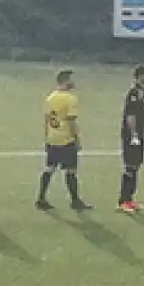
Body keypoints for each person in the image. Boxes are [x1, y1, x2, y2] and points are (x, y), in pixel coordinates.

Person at [36, 69, 89, 211]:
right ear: (65, 81)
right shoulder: (70, 99)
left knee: (49, 168)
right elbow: (71, 121)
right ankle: (75, 200)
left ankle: (41, 198)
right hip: (66, 139)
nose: (73, 82)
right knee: (71, 171)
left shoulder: (50, 98)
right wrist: (77, 139)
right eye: (71, 79)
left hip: (53, 139)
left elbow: (46, 120)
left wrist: (47, 138)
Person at [118, 65, 144, 214]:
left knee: (136, 166)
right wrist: (133, 135)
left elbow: (143, 113)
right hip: (131, 134)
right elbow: (130, 115)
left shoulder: (143, 92)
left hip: (140, 133)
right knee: (130, 166)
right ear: (139, 76)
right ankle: (123, 200)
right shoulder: (133, 92)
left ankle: (130, 198)